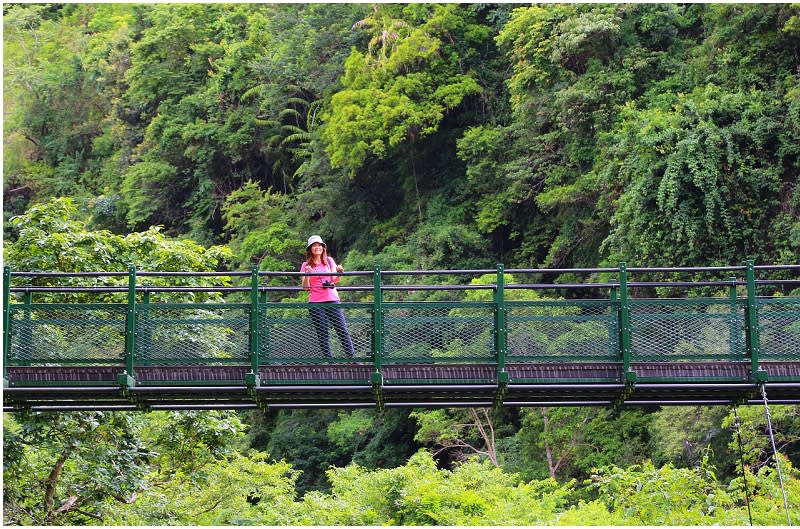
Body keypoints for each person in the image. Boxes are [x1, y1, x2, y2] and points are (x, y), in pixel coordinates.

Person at [301, 235, 355, 358]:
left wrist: (339, 273)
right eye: (314, 245)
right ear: (310, 249)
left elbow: (334, 280)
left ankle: (352, 358)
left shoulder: (329, 261)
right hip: (316, 302)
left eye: (319, 245)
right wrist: (307, 274)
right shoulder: (306, 265)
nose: (317, 247)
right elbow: (305, 287)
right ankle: (330, 361)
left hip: (332, 299)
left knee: (342, 329)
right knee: (323, 332)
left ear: (323, 247)